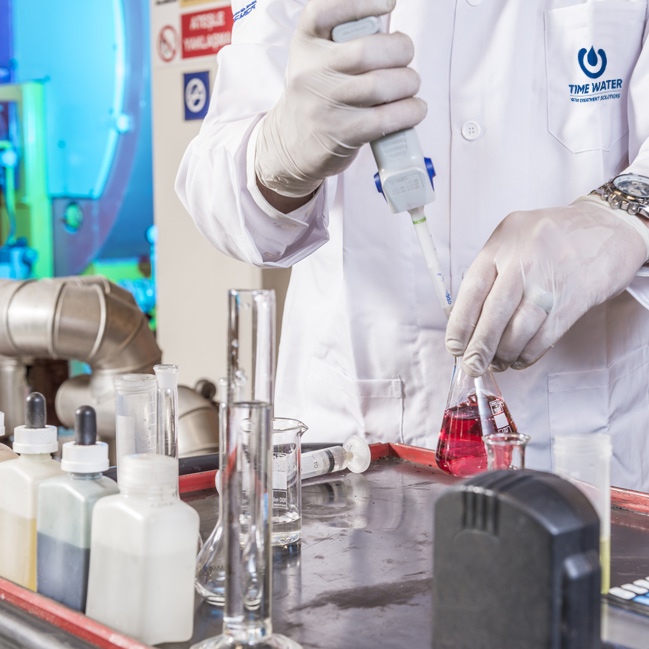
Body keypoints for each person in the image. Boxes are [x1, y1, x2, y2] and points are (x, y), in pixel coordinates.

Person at [176, 0, 649, 491]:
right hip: (351, 444)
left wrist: (621, 219)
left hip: (588, 444)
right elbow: (221, 197)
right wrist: (281, 153)